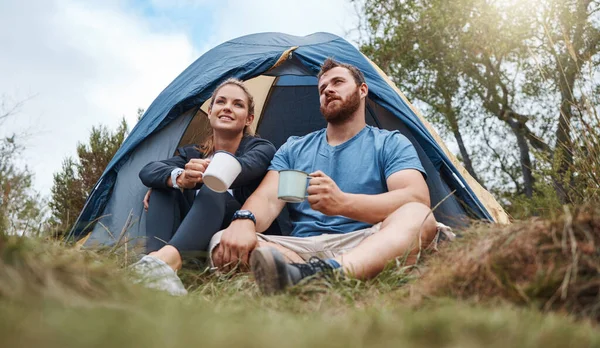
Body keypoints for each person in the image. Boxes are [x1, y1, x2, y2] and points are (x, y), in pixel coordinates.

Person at [210, 58, 438, 295]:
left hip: (367, 242)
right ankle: (306, 276)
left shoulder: (389, 143)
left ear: (362, 90)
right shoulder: (295, 149)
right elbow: (268, 199)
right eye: (322, 89)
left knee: (419, 215)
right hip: (301, 247)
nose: (328, 89)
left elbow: (416, 197)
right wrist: (244, 220)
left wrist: (343, 203)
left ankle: (317, 275)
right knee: (221, 242)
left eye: (338, 82)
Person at [133, 78, 277, 295]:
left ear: (249, 119)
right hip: (190, 236)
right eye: (221, 102)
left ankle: (161, 265)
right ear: (210, 112)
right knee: (163, 187)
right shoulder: (191, 153)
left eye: (237, 104)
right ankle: (156, 267)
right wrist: (178, 178)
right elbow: (148, 170)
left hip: (233, 230)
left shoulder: (261, 148)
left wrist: (200, 174)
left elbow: (245, 168)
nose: (227, 107)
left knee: (215, 184)